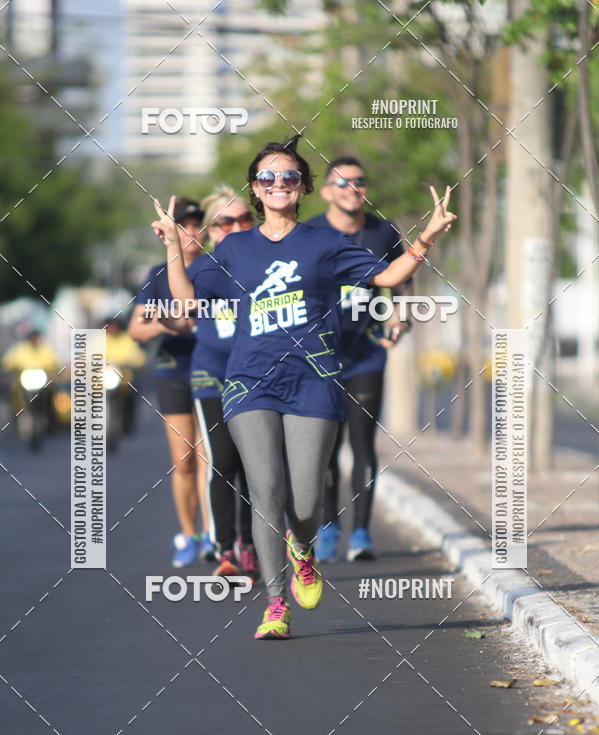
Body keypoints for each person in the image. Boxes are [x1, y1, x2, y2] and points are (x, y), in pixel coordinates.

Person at [152, 135, 456, 640]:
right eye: (267, 177)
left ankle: (304, 549)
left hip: (314, 379)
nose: (277, 184)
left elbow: (389, 275)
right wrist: (171, 249)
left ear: (302, 187)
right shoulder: (234, 247)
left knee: (308, 499)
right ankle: (274, 604)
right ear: (255, 188)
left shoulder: (326, 243)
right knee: (266, 491)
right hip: (249, 383)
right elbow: (185, 301)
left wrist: (427, 237)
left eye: (288, 176)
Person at [306, 156, 412, 562]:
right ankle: (329, 527)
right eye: (343, 182)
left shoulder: (383, 232)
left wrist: (400, 319)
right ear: (329, 190)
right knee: (326, 448)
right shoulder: (311, 231)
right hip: (319, 356)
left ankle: (362, 534)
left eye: (359, 182)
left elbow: (402, 280)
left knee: (364, 445)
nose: (352, 189)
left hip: (366, 354)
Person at [129, 197, 214, 567]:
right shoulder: (157, 274)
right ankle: (189, 535)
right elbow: (136, 327)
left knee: (211, 458)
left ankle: (215, 534)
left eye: (197, 225)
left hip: (212, 370)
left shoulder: (216, 269)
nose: (191, 232)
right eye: (183, 225)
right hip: (173, 371)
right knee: (184, 461)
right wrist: (165, 320)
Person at [190, 187, 259, 581]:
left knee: (255, 463)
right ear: (211, 230)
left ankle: (250, 543)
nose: (236, 227)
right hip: (211, 376)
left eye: (244, 219)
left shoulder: (264, 261)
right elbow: (177, 302)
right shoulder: (202, 268)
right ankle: (225, 548)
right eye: (226, 221)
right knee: (224, 461)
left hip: (254, 376)